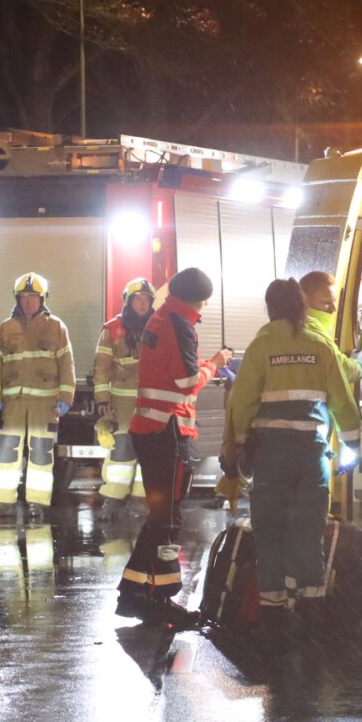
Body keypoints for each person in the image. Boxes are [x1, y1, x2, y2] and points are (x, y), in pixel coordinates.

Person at [223, 278, 362, 626]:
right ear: (302, 306)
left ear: (270, 309)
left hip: (270, 455)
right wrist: (353, 443)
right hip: (311, 455)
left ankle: (272, 608)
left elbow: (241, 404)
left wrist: (237, 446)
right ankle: (311, 607)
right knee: (308, 527)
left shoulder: (261, 347)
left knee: (270, 529)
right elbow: (342, 400)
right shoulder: (320, 345)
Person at [116, 267, 233, 625]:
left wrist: (202, 364)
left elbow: (170, 369)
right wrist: (214, 365)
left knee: (159, 517)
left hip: (151, 428)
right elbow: (184, 380)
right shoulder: (180, 323)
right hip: (167, 431)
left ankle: (135, 592)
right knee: (167, 520)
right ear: (198, 299)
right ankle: (161, 598)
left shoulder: (161, 318)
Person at [0, 272, 75, 515]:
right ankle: (3, 502)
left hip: (44, 404)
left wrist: (66, 398)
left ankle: (37, 503)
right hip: (13, 403)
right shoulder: (6, 328)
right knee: (6, 452)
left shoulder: (56, 326)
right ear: (17, 299)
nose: (28, 302)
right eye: (24, 297)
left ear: (43, 299)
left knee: (40, 452)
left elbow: (67, 365)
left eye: (33, 297)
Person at [92, 278, 154, 509]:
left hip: (151, 405)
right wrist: (102, 400)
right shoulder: (112, 329)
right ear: (128, 302)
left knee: (149, 453)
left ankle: (142, 498)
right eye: (137, 299)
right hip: (122, 406)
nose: (142, 303)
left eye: (146, 299)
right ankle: (113, 497)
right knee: (121, 451)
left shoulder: (158, 327)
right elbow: (101, 367)